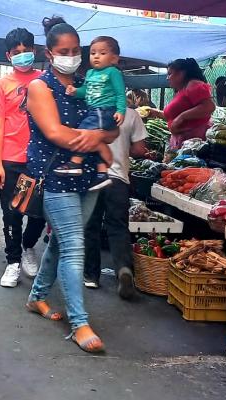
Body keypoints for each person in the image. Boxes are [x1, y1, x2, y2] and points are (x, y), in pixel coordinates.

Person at [25, 16, 119, 353]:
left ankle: (36, 297)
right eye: (63, 50)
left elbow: (113, 128)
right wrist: (97, 138)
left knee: (61, 243)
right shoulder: (39, 87)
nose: (71, 55)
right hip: (56, 177)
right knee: (74, 245)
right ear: (49, 54)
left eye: (75, 50)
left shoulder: (91, 81)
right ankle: (79, 323)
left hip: (89, 177)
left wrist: (96, 137)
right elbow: (55, 134)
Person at [0, 27, 47, 287]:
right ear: (8, 55)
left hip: (39, 159)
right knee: (11, 213)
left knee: (39, 213)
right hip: (11, 158)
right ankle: (12, 262)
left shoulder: (45, 80)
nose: (22, 56)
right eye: (17, 52)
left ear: (34, 51)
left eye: (26, 51)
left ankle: (28, 246)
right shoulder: (3, 84)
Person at [84, 95, 148, 296]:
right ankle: (123, 269)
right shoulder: (130, 115)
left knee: (91, 226)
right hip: (118, 179)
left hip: (93, 178)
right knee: (118, 227)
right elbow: (139, 149)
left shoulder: (88, 111)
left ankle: (91, 276)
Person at [62, 36, 124, 191]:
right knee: (93, 142)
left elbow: (120, 94)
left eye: (102, 53)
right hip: (93, 111)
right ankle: (102, 173)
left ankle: (76, 162)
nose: (96, 56)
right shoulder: (90, 73)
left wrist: (121, 111)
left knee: (83, 132)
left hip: (104, 111)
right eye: (93, 53)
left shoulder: (113, 72)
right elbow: (86, 91)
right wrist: (75, 91)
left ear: (114, 58)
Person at [149, 58, 215, 150]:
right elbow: (174, 116)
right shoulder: (182, 91)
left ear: (181, 73)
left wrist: (181, 117)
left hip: (194, 143)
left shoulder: (193, 84)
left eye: (169, 74)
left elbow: (209, 107)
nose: (167, 78)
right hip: (184, 143)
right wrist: (157, 113)